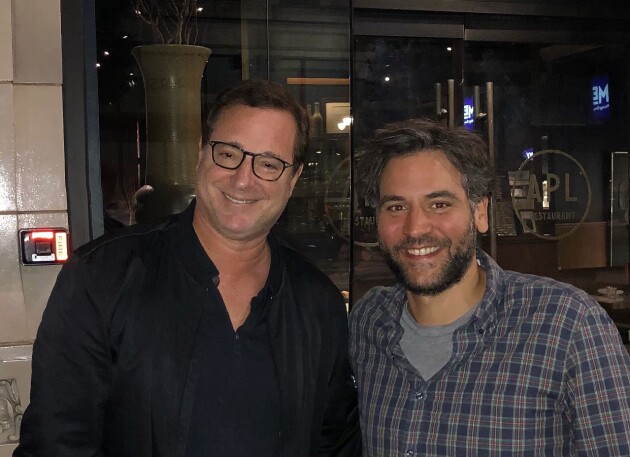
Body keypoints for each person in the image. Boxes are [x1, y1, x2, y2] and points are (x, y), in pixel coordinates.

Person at [15, 80, 360, 457]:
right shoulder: (102, 277)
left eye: (268, 164)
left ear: (293, 180)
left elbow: (335, 444)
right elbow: (55, 444)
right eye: (228, 153)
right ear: (200, 155)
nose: (243, 179)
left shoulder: (318, 302)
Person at [349, 118, 630, 456]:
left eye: (439, 204)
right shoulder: (367, 322)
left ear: (480, 212)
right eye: (396, 207)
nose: (415, 227)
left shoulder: (568, 325)